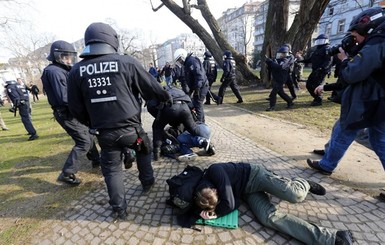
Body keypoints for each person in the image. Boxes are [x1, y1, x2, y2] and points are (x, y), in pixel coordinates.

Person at [67, 22, 172, 220]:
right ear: (111, 39)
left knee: (112, 170)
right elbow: (151, 87)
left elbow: (75, 108)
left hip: (105, 134)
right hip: (132, 130)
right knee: (144, 150)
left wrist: (91, 123)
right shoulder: (126, 62)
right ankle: (147, 182)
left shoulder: (76, 71)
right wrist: (166, 97)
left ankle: (119, 208)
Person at [307, 7, 385, 184]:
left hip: (368, 102)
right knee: (377, 138)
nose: (354, 40)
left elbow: (352, 74)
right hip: (376, 101)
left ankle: (327, 165)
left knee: (349, 131)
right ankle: (327, 163)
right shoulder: (378, 41)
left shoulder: (377, 42)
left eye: (355, 35)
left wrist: (344, 61)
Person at [194, 162, 354, 245]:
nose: (217, 193)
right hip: (247, 192)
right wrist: (209, 210)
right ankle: (331, 238)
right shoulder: (207, 193)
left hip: (255, 175)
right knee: (267, 218)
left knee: (295, 194)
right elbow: (233, 203)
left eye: (216, 192)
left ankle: (303, 182)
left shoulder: (214, 170)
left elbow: (228, 204)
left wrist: (214, 214)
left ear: (212, 188)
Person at [41, 40, 102, 186]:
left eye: (70, 57)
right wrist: (84, 105)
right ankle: (67, 173)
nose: (69, 60)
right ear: (57, 56)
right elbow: (64, 97)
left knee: (88, 134)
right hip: (67, 113)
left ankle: (96, 159)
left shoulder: (62, 70)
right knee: (84, 141)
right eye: (66, 57)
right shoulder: (54, 71)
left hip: (71, 111)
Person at [147, 85, 198, 161]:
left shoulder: (157, 92)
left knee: (157, 127)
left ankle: (157, 152)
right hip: (185, 107)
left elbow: (151, 107)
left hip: (170, 108)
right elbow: (191, 105)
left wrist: (160, 117)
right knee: (193, 129)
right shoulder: (178, 90)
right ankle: (205, 142)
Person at [174, 48, 209, 123]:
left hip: (201, 86)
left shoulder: (191, 61)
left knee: (198, 103)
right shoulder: (187, 63)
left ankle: (200, 123)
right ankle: (199, 121)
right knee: (194, 102)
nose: (180, 62)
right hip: (197, 86)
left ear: (182, 56)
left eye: (179, 59)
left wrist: (197, 89)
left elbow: (199, 75)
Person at [300, 34, 333, 106]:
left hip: (321, 71)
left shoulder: (327, 48)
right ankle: (316, 97)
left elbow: (329, 61)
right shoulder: (317, 49)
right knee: (309, 84)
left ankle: (318, 99)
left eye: (321, 41)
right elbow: (311, 59)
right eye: (318, 41)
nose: (319, 42)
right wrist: (302, 61)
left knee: (317, 85)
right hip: (315, 70)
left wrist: (322, 68)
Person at [265, 45, 294, 111]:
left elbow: (280, 67)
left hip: (281, 79)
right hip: (277, 78)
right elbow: (272, 68)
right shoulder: (278, 60)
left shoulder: (287, 60)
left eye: (282, 54)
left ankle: (272, 107)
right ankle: (290, 102)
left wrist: (271, 62)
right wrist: (268, 63)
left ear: (285, 54)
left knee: (273, 93)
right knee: (281, 93)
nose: (281, 55)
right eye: (280, 54)